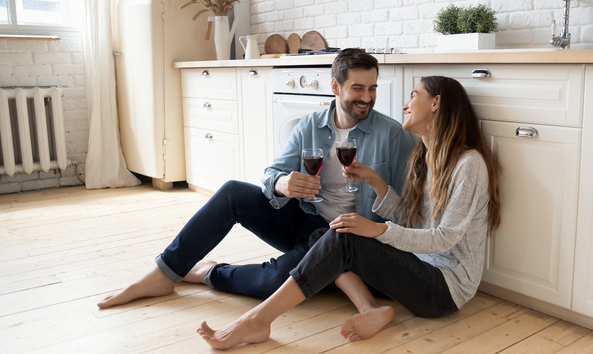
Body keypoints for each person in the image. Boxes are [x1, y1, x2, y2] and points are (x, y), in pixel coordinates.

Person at [195, 75, 501, 349]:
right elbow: (412, 221)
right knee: (326, 232)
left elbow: (444, 239)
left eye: (414, 95)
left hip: (444, 289)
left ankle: (257, 321)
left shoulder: (468, 164)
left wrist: (377, 230)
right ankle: (369, 309)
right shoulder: (424, 157)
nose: (406, 105)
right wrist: (375, 181)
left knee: (344, 238)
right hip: (418, 269)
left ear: (436, 103)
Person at [97, 48, 415, 308]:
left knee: (275, 282)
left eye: (372, 88)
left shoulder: (391, 135)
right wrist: (283, 184)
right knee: (233, 192)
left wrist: (376, 185)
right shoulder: (309, 126)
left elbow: (406, 209)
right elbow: (271, 175)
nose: (367, 97)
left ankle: (210, 272)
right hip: (306, 221)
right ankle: (164, 272)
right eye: (357, 88)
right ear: (335, 87)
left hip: (344, 238)